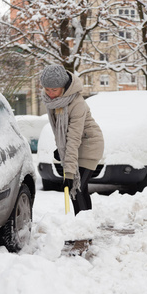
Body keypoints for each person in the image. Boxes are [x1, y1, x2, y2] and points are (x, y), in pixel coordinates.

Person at [40, 64, 104, 216]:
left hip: (90, 144)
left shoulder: (77, 103)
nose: (50, 93)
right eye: (47, 89)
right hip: (75, 144)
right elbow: (60, 131)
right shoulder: (53, 102)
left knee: (77, 187)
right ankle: (83, 225)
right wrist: (61, 150)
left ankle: (81, 231)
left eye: (54, 90)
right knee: (79, 189)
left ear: (63, 87)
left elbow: (74, 137)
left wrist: (68, 171)